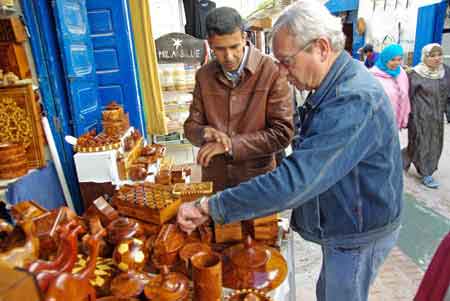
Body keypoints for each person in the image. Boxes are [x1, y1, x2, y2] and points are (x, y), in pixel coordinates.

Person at [178, 1, 403, 301]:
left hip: (357, 231)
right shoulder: (331, 88)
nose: (283, 73)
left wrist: (209, 207)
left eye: (286, 61)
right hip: (346, 222)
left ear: (321, 48)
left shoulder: (354, 100)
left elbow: (297, 179)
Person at [183, 7, 294, 192]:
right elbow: (190, 128)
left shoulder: (271, 71)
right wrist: (205, 133)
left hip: (257, 183)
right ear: (210, 43)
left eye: (234, 47)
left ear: (244, 37)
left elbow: (282, 134)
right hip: (216, 181)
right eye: (219, 49)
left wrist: (229, 146)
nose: (228, 56)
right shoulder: (204, 75)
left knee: (261, 222)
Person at [402, 43, 450, 189]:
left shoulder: (445, 72)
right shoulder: (414, 74)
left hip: (436, 116)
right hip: (418, 115)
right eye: (432, 55)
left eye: (439, 55)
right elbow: (407, 96)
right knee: (421, 142)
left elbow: (449, 95)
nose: (437, 58)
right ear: (425, 57)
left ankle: (402, 159)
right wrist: (406, 116)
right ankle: (425, 173)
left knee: (435, 143)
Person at [371, 44, 411, 129]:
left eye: (399, 59)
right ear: (385, 59)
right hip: (378, 123)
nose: (397, 63)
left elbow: (405, 96)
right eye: (392, 60)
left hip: (396, 122)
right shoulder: (372, 76)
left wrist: (404, 118)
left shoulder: (401, 73)